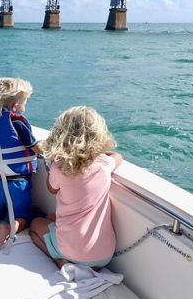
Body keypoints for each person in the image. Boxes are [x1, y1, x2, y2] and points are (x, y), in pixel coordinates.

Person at [30, 106, 123, 269]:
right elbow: (118, 156)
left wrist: (53, 163)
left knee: (35, 225)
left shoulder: (59, 168)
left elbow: (51, 189)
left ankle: (60, 261)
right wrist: (99, 154)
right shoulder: (104, 165)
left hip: (71, 251)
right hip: (105, 255)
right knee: (52, 217)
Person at [0, 78, 40, 248]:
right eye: (24, 102)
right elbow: (37, 148)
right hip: (18, 183)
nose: (25, 106)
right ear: (14, 106)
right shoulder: (17, 122)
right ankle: (9, 228)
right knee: (25, 216)